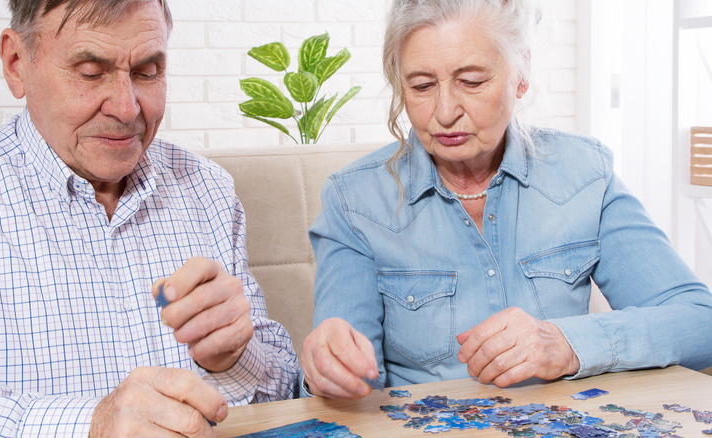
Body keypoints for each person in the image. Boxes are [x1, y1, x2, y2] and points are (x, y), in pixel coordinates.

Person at [300, 0, 712, 400]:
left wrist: (565, 343)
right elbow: (352, 387)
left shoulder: (586, 174)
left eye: (472, 81)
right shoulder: (353, 201)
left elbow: (700, 321)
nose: (444, 112)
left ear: (521, 74)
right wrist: (330, 370)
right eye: (422, 86)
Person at [0, 0, 298, 436]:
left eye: (147, 71)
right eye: (90, 71)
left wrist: (234, 360)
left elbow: (284, 392)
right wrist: (85, 425)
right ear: (16, 64)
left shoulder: (208, 190)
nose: (127, 109)